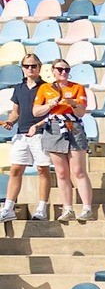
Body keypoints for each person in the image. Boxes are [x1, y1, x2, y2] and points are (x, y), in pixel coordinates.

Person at [33, 58, 93, 224]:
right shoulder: (45, 88)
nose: (63, 72)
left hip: (73, 125)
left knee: (78, 170)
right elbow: (36, 111)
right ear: (53, 70)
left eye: (66, 69)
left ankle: (87, 207)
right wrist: (50, 105)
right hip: (54, 126)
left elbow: (81, 112)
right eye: (60, 69)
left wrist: (73, 103)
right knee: (61, 172)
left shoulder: (77, 87)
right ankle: (67, 208)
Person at [0, 52, 52, 223]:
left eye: (33, 66)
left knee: (42, 170)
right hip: (22, 134)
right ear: (22, 68)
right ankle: (8, 208)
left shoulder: (47, 87)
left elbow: (52, 112)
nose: (30, 69)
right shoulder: (19, 88)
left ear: (39, 67)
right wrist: (10, 122)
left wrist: (39, 125)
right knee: (15, 169)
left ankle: (42, 207)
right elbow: (16, 112)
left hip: (41, 133)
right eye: (26, 66)